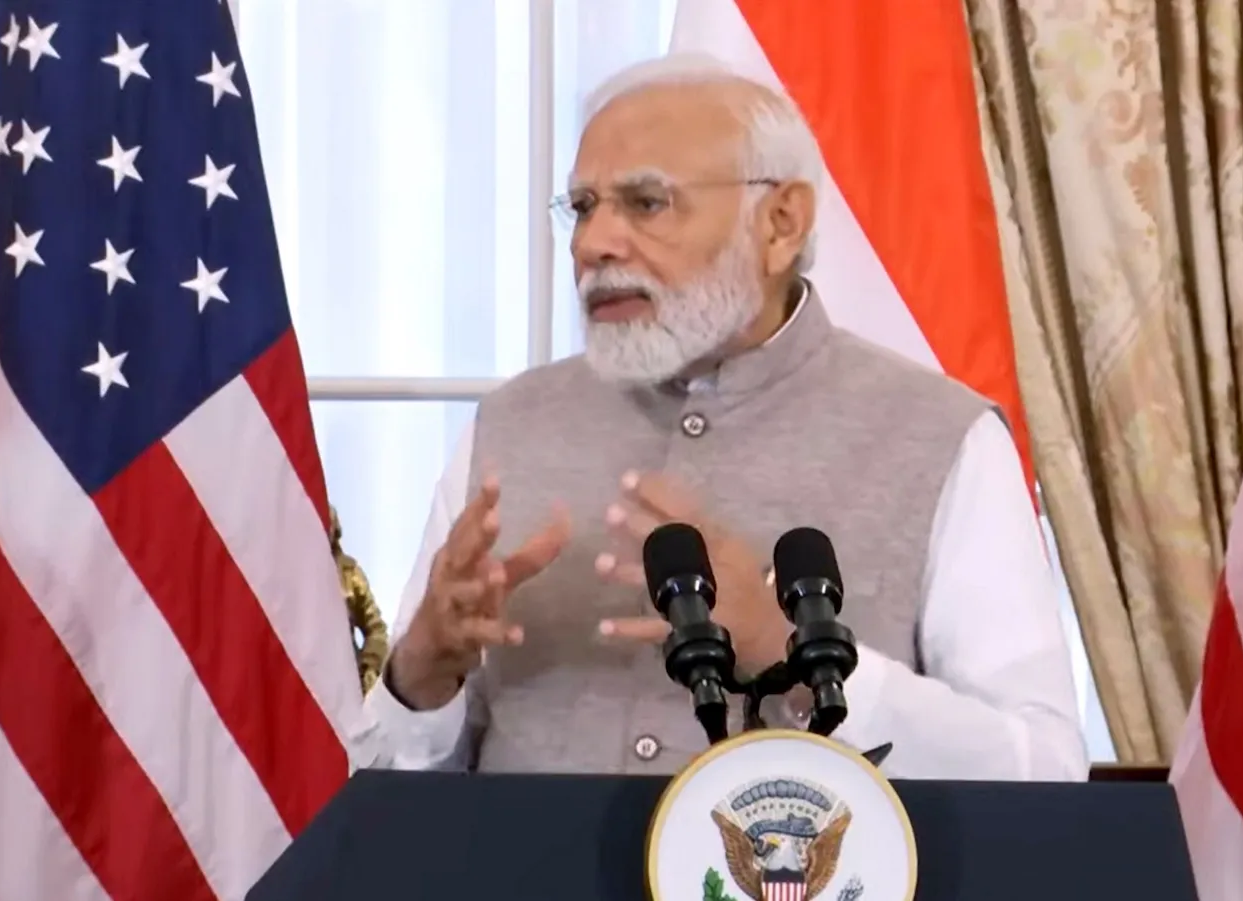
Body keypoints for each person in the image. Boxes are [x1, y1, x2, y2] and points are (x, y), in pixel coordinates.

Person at [357, 53, 1089, 782]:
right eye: (582, 206)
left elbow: (1043, 772)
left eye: (645, 202)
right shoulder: (509, 425)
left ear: (779, 224)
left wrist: (794, 653)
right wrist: (421, 676)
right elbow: (388, 798)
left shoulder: (944, 437)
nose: (592, 243)